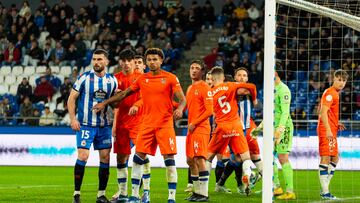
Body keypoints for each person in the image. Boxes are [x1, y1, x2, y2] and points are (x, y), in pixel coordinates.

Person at [92, 48, 186, 203]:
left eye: (155, 59)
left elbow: (182, 99)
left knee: (169, 159)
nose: (151, 62)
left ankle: (171, 198)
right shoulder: (143, 79)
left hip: (164, 125)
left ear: (161, 61)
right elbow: (124, 94)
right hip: (146, 125)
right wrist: (105, 102)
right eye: (149, 59)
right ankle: (134, 196)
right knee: (137, 158)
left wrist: (181, 109)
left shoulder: (170, 78)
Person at [67, 49, 118, 203]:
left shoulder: (112, 81)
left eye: (99, 59)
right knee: (83, 156)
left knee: (105, 158)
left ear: (107, 62)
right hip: (85, 125)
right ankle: (76, 194)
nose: (96, 62)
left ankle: (101, 195)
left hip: (103, 126)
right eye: (94, 59)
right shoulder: (84, 78)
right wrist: (72, 119)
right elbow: (71, 98)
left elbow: (115, 103)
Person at [206, 67, 257, 196]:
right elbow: (251, 86)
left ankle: (203, 188)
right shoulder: (230, 85)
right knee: (245, 158)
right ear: (223, 78)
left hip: (222, 127)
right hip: (236, 126)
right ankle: (249, 174)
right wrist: (254, 99)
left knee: (208, 158)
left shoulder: (210, 92)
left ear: (212, 79)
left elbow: (208, 111)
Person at [110, 49, 151, 203]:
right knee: (121, 158)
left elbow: (146, 98)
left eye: (129, 60)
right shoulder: (115, 79)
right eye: (123, 60)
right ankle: (122, 194)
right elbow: (113, 104)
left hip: (139, 123)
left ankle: (141, 193)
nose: (126, 64)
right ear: (120, 62)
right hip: (121, 124)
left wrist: (137, 104)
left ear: (134, 62)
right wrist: (115, 98)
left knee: (140, 156)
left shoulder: (142, 78)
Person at [252, 65, 296, 200]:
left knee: (283, 158)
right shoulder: (270, 90)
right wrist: (259, 128)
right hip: (272, 128)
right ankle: (276, 187)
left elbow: (285, 113)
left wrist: (280, 130)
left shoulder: (284, 90)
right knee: (269, 158)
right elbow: (271, 113)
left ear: (275, 73)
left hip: (284, 128)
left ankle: (290, 191)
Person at [217, 67, 264, 194]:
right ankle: (250, 178)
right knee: (242, 158)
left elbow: (258, 105)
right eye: (239, 75)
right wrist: (253, 97)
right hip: (235, 129)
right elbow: (249, 89)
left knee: (237, 159)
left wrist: (254, 98)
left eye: (244, 75)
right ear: (235, 77)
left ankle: (222, 184)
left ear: (247, 78)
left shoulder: (246, 89)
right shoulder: (236, 89)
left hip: (247, 128)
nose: (242, 77)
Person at [184, 60, 213, 202]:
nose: (194, 70)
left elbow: (210, 111)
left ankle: (204, 194)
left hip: (200, 128)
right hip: (192, 128)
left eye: (197, 68)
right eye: (192, 67)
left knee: (200, 159)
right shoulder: (190, 88)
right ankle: (196, 192)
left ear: (202, 72)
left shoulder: (204, 87)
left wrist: (194, 123)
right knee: (190, 160)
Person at [317, 69, 348, 200]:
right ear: (333, 79)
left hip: (331, 127)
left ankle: (325, 188)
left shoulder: (334, 93)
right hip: (326, 130)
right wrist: (329, 129)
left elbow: (324, 111)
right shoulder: (331, 93)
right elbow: (322, 113)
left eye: (344, 81)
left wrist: (336, 122)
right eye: (339, 80)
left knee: (335, 158)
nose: (341, 83)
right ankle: (325, 192)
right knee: (326, 158)